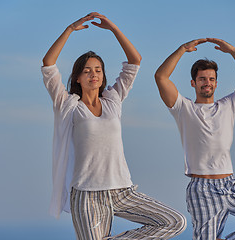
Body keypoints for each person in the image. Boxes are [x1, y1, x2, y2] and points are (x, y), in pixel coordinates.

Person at [42, 12, 186, 240]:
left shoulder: (113, 100)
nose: (93, 74)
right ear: (77, 77)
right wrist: (70, 29)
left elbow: (134, 60)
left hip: (122, 191)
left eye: (98, 70)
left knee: (174, 222)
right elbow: (48, 64)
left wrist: (113, 29)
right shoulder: (68, 105)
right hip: (87, 195)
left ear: (103, 75)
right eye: (87, 70)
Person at [154, 38, 235, 240]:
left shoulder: (229, 105)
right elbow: (161, 77)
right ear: (193, 83)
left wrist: (232, 50)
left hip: (230, 185)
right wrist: (181, 49)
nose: (207, 82)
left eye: (211, 79)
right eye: (202, 79)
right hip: (202, 189)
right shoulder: (183, 108)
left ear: (216, 82)